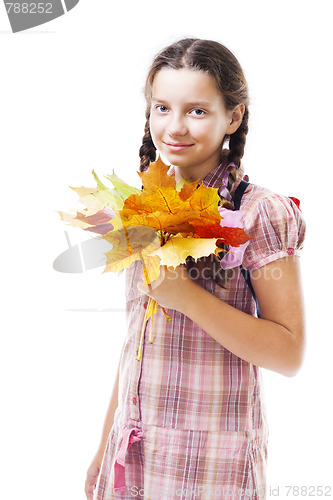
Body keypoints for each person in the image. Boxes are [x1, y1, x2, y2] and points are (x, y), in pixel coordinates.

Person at [85, 38, 306, 500]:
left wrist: (187, 297)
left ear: (235, 116)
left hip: (209, 469)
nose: (175, 127)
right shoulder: (141, 210)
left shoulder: (260, 211)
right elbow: (137, 343)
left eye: (198, 111)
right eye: (162, 107)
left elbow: (289, 352)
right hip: (133, 457)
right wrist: (104, 445)